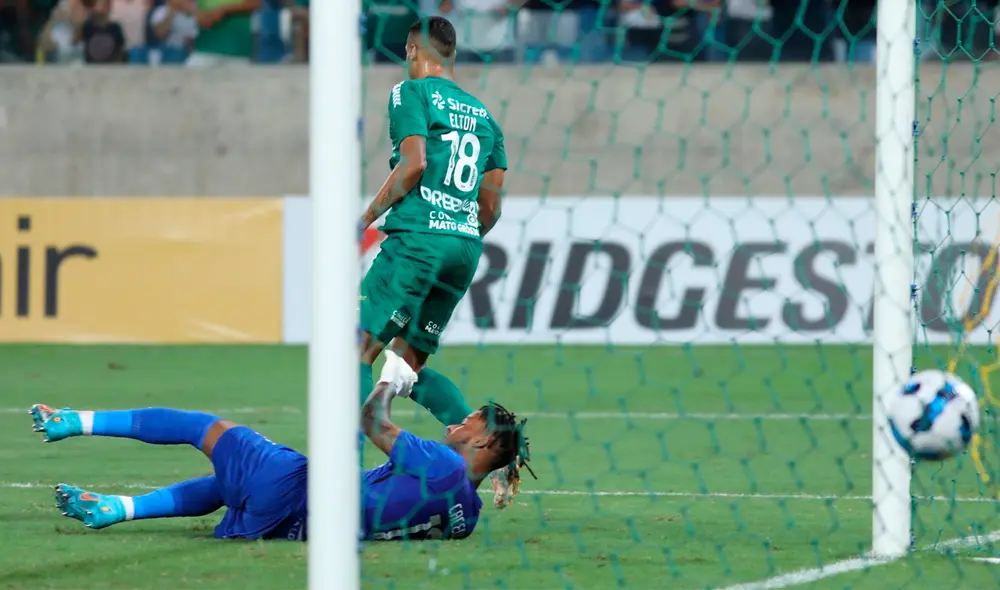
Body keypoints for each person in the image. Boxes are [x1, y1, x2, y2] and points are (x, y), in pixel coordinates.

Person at [30, 351, 532, 541]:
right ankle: (116, 509)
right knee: (225, 486)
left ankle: (73, 421)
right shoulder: (466, 516)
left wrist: (391, 382)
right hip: (295, 527)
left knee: (203, 427)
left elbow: (372, 422)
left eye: (467, 421)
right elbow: (416, 528)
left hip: (298, 489)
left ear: (484, 440)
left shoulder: (443, 463)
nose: (455, 424)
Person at [357, 15, 510, 505]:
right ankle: (477, 466)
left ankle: (340, 479)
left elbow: (414, 164)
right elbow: (490, 207)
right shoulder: (486, 117)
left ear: (411, 49)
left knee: (355, 353)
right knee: (406, 366)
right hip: (463, 248)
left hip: (419, 239)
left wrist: (362, 219)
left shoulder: (411, 93)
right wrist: (457, 232)